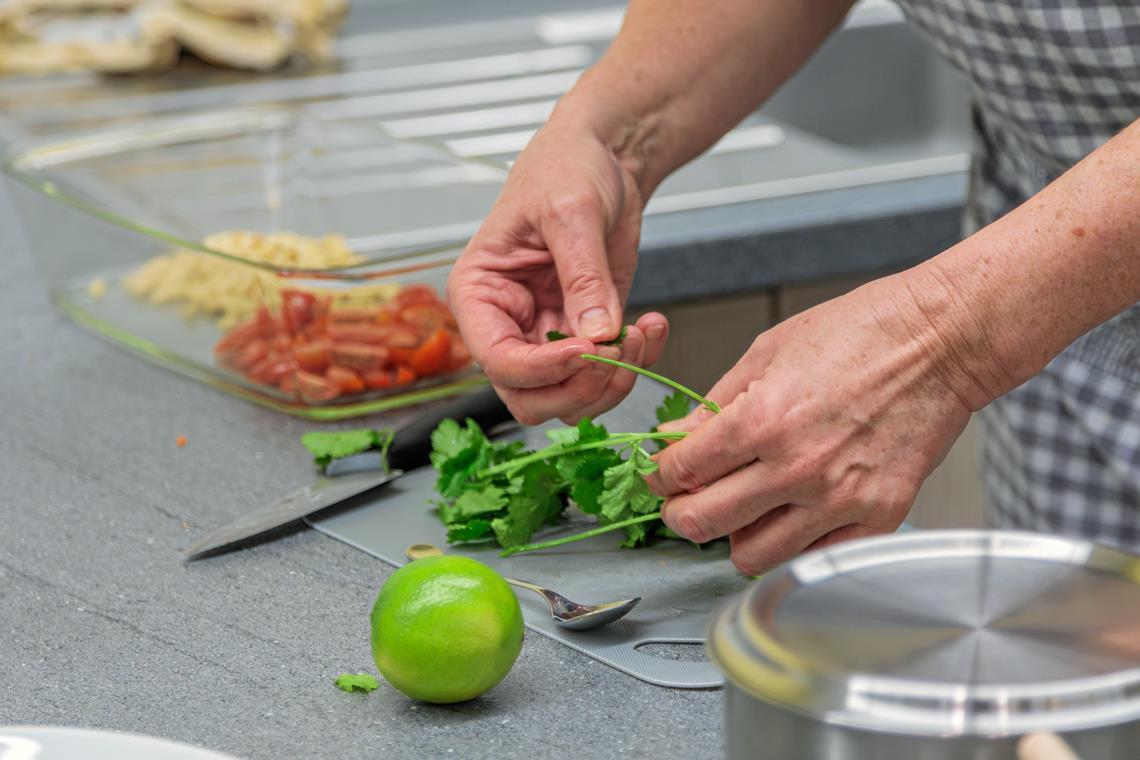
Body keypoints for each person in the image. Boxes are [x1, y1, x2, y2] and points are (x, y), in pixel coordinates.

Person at [448, 0, 1140, 574]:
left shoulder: (963, 339)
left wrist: (943, 342)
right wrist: (607, 137)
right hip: (1059, 337)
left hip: (1021, 301)